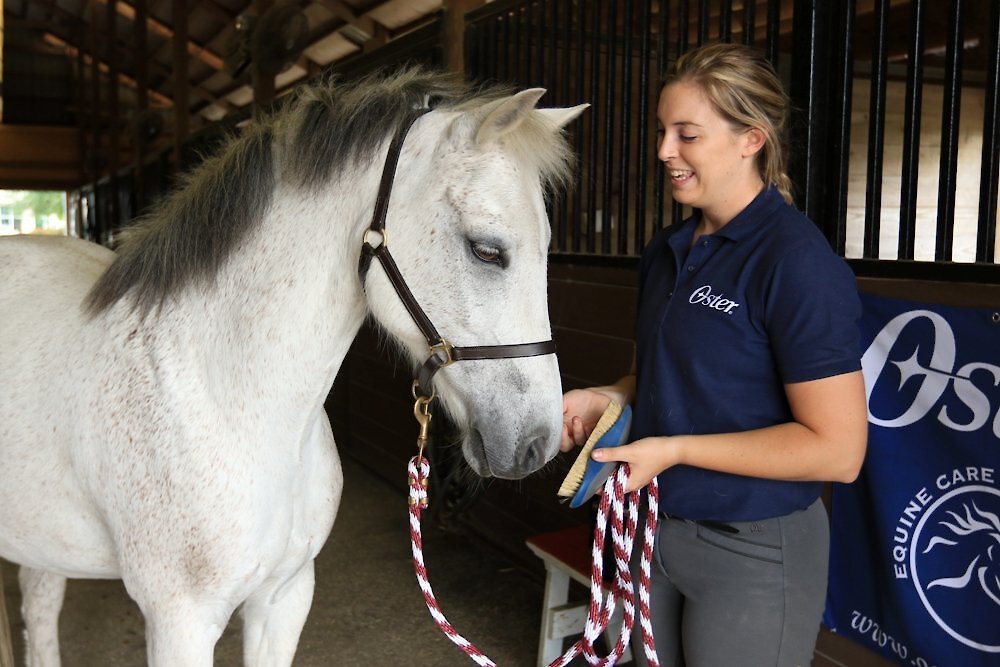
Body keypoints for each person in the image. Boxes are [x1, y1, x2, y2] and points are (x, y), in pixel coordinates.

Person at [561, 42, 868, 667]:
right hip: (655, 527)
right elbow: (665, 376)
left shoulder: (796, 263)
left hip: (753, 546)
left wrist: (674, 450)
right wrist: (612, 396)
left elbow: (838, 450)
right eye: (662, 131)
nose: (663, 151)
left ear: (751, 139)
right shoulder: (669, 248)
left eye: (687, 135)